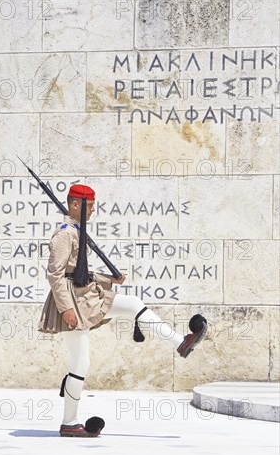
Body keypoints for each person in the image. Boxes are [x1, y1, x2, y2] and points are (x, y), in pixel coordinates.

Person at [38, 185, 207, 437]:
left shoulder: (76, 230)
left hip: (87, 296)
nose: (94, 210)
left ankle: (180, 343)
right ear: (75, 205)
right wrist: (65, 309)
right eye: (90, 206)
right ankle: (69, 422)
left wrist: (108, 279)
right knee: (80, 364)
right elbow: (56, 274)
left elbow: (80, 270)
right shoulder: (64, 234)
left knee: (132, 303)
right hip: (73, 302)